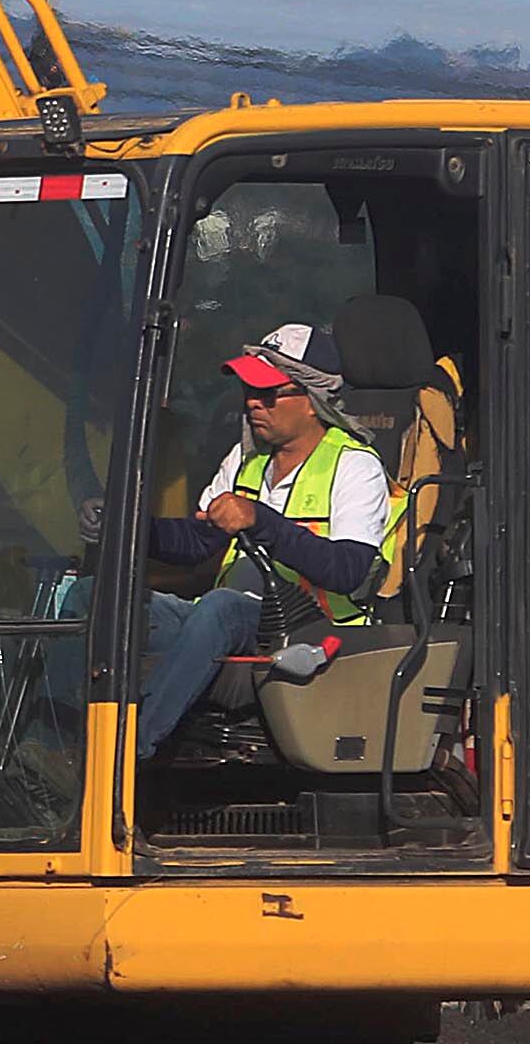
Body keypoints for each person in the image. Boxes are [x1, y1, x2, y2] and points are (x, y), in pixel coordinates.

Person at [133, 323, 397, 758]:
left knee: (221, 609)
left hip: (312, 628)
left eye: (269, 393)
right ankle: (54, 747)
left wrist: (260, 521)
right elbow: (197, 543)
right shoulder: (245, 459)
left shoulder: (354, 466)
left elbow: (348, 571)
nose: (254, 402)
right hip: (222, 622)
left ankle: (127, 754)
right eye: (249, 391)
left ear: (312, 402)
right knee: (95, 598)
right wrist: (130, 528)